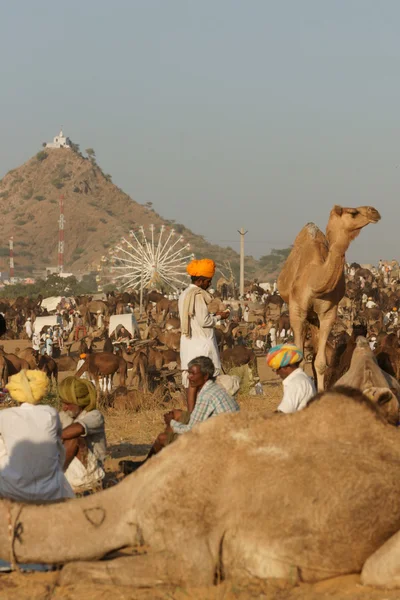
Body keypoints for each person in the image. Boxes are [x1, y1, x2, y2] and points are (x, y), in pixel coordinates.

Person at [0, 370, 74, 502]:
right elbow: (59, 450)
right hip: (51, 490)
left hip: (11, 489)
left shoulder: (4, 416)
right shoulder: (50, 413)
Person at [148, 356, 239, 455]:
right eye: (188, 373)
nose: (188, 376)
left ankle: (143, 467)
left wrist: (172, 423)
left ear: (205, 376)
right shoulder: (215, 388)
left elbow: (191, 430)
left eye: (192, 374)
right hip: (228, 435)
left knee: (163, 439)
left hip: (221, 444)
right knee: (178, 416)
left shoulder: (206, 396)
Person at [179, 258, 229, 412]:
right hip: (202, 345)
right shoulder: (198, 295)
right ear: (200, 281)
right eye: (208, 281)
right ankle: (203, 413)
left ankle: (192, 413)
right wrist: (220, 316)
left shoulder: (184, 294)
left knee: (191, 381)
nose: (210, 284)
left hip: (188, 344)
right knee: (205, 381)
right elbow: (204, 321)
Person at [59, 377, 106, 494]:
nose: (64, 407)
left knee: (73, 438)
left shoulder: (95, 416)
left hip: (91, 471)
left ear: (79, 403)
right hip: (71, 469)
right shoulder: (65, 416)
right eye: (63, 403)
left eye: (68, 404)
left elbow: (78, 428)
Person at [267, 344, 316, 413]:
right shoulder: (302, 378)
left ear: (286, 366)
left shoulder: (296, 383)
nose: (277, 373)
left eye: (276, 369)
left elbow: (283, 412)